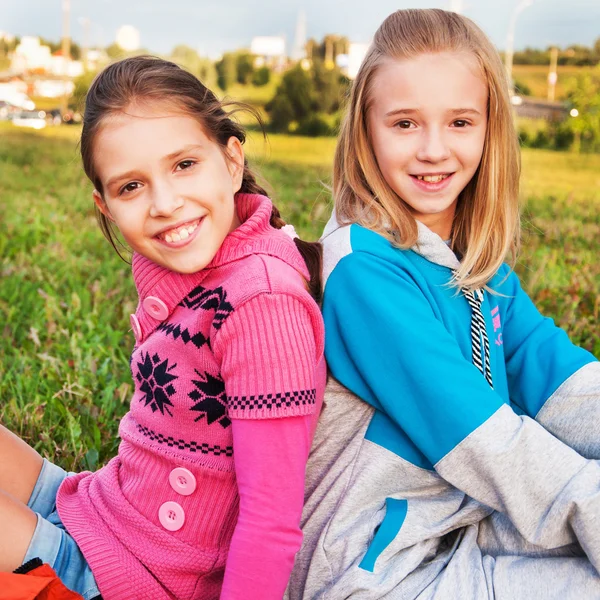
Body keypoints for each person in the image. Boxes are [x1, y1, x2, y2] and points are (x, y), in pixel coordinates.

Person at [286, 9, 600, 600]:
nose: (434, 149)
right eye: (405, 123)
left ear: (489, 130)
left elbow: (553, 372)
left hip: (462, 527)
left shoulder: (468, 259)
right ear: (365, 130)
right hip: (378, 571)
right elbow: (486, 444)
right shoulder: (362, 273)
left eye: (459, 122)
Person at [0, 56, 326, 600]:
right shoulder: (188, 265)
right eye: (132, 187)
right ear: (104, 206)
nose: (166, 204)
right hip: (97, 510)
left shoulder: (263, 304)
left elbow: (272, 522)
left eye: (183, 165)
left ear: (231, 158)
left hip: (129, 579)